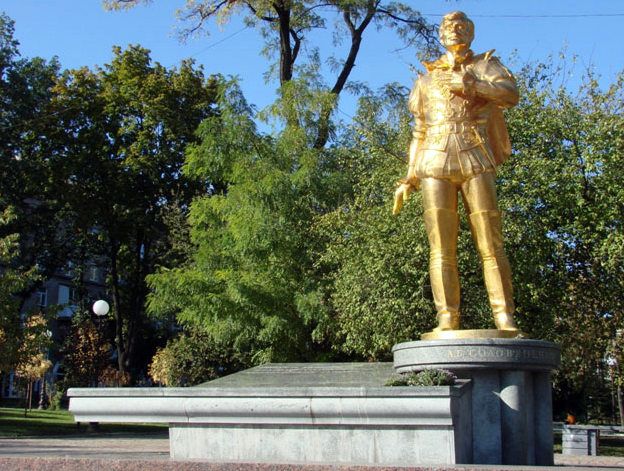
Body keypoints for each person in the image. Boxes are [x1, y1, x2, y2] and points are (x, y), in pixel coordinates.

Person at [393, 11, 519, 334]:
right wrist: (409, 176)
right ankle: (447, 317)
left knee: (491, 242)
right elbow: (419, 132)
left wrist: (474, 85)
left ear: (471, 32)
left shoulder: (485, 66)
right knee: (441, 248)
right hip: (433, 162)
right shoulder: (425, 80)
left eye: (461, 26)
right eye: (449, 27)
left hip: (475, 156)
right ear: (440, 34)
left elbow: (511, 95)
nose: (455, 30)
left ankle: (504, 317)